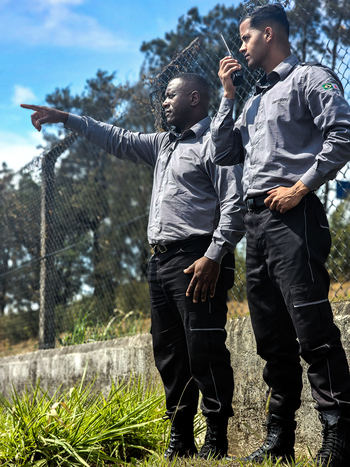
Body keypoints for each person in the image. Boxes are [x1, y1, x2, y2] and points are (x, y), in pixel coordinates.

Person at [21, 72, 245, 460]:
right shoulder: (162, 145)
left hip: (198, 258)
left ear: (194, 98)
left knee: (204, 349)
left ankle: (216, 438)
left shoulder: (216, 142)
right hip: (160, 263)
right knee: (170, 353)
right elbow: (117, 138)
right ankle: (181, 438)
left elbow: (234, 206)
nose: (163, 102)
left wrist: (214, 256)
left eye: (170, 95)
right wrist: (66, 117)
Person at [209, 3, 350, 466]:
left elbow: (343, 136)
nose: (241, 48)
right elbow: (226, 153)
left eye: (245, 38)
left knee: (312, 327)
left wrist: (299, 187)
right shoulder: (250, 100)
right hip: (257, 226)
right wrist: (227, 95)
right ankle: (279, 440)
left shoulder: (311, 77)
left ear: (268, 34)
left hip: (295, 216)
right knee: (270, 337)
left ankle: (339, 434)